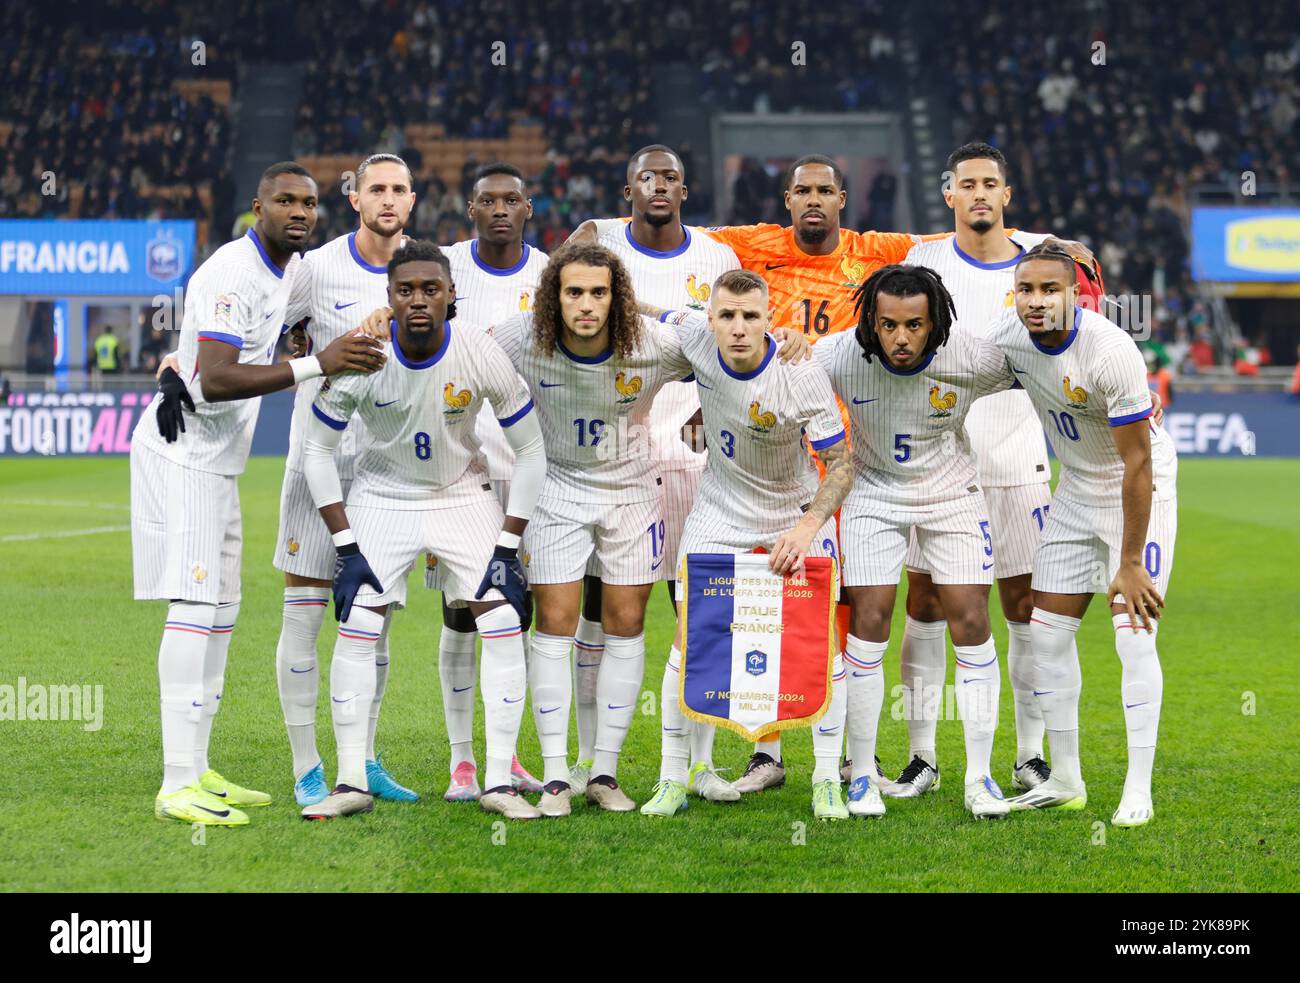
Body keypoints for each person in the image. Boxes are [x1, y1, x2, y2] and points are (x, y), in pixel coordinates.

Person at [131, 161, 385, 827]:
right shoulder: (229, 273)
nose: (299, 212)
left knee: (223, 606)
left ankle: (200, 762)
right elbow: (214, 378)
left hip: (218, 461)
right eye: (285, 201)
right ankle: (176, 780)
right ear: (257, 207)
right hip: (182, 452)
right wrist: (317, 362)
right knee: (192, 603)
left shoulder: (292, 271)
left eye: (308, 202)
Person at [932, 244, 1178, 828]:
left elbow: (1137, 464)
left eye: (1050, 290)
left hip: (1137, 491)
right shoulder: (1010, 339)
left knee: (1133, 636)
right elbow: (956, 366)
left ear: (1076, 295)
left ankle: (1137, 790)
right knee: (1044, 636)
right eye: (1026, 290)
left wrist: (1129, 561)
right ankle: (1065, 779)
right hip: (1074, 490)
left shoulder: (1110, 352)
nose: (1036, 301)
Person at [299, 240, 546, 821]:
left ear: (451, 295)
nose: (418, 300)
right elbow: (316, 451)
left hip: (461, 493)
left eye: (430, 289)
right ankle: (351, 780)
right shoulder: (365, 356)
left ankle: (499, 780)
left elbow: (531, 450)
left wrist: (507, 547)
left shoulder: (479, 352)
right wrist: (345, 546)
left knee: (504, 618)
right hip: (383, 495)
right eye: (405, 290)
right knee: (359, 620)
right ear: (388, 297)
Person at [637, 270, 854, 821]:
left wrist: (807, 528)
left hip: (794, 513)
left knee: (819, 645)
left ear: (769, 320)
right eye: (727, 316)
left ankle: (827, 779)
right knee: (691, 641)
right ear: (710, 318)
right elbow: (648, 306)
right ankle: (675, 777)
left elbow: (841, 464)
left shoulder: (797, 372)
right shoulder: (694, 336)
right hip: (719, 512)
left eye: (750, 317)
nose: (737, 328)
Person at [570, 144, 743, 803]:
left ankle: (698, 764)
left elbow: (735, 341)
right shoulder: (600, 243)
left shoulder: (716, 258)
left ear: (685, 187)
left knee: (701, 609)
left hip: (702, 451)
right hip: (618, 450)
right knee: (610, 610)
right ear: (628, 188)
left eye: (671, 174)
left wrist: (712, 400)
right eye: (648, 175)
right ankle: (593, 762)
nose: (660, 185)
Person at [813, 264, 1016, 819]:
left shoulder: (972, 357)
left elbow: (1041, 368)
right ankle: (860, 775)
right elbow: (776, 377)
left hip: (952, 493)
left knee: (971, 620)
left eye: (914, 326)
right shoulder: (838, 356)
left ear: (936, 323)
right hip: (874, 492)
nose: (901, 339)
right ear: (870, 323)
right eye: (888, 326)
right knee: (869, 620)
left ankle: (980, 777)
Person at [891, 142, 1054, 797]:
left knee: (1024, 606)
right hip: (935, 463)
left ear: (1006, 195)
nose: (980, 193)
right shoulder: (921, 262)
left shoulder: (1042, 266)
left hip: (1018, 455)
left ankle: (1029, 754)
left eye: (992, 182)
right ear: (949, 194)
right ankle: (922, 757)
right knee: (925, 602)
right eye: (968, 184)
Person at [271, 153, 420, 808]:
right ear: (354, 198)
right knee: (304, 615)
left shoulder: (423, 269)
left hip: (387, 473)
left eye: (398, 189)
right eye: (375, 190)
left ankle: (362, 757)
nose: (387, 199)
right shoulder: (317, 268)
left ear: (412, 200)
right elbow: (270, 338)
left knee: (375, 622)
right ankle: (307, 764)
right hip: (317, 460)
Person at [433, 161, 550, 801]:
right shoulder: (445, 269)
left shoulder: (550, 276)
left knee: (519, 615)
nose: (500, 209)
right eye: (487, 200)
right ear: (470, 208)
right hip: (463, 470)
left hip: (534, 464)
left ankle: (510, 753)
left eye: (511, 199)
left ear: (528, 208)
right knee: (460, 613)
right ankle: (462, 761)